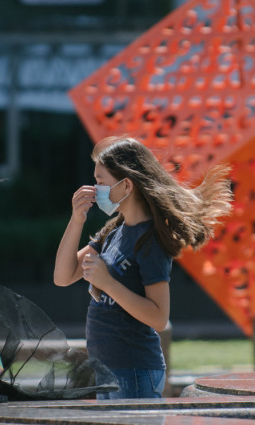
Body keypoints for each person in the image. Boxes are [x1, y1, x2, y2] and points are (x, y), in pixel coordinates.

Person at [53, 136, 233, 399]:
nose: (95, 188)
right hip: (107, 370)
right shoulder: (113, 231)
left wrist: (107, 284)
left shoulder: (150, 240)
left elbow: (159, 317)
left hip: (134, 371)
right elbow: (63, 276)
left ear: (126, 185)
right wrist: (76, 220)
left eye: (101, 180)